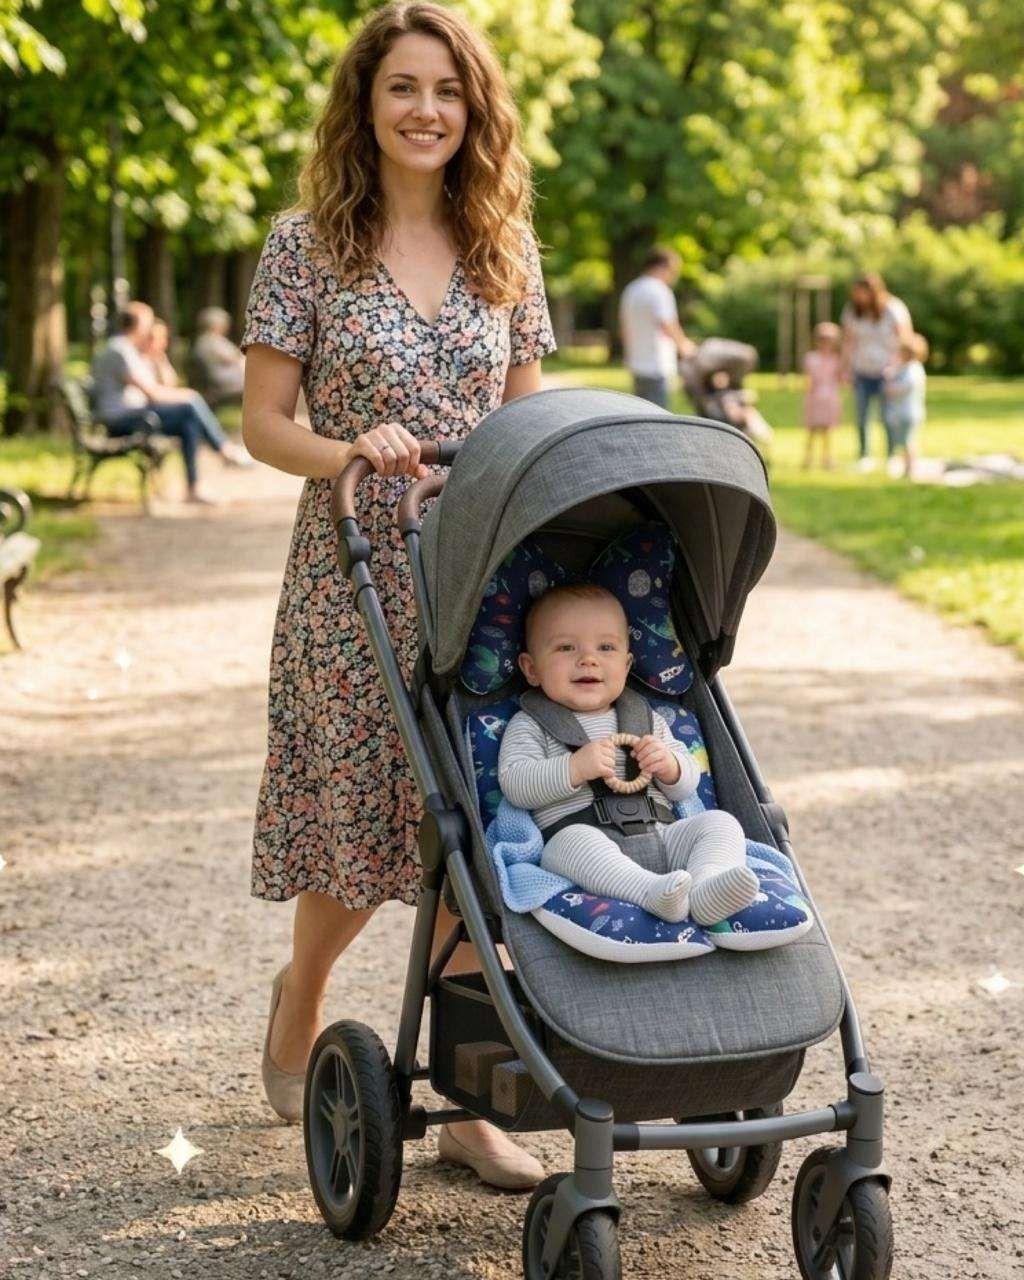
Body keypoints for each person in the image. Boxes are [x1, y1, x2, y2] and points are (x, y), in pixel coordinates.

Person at [241, 3, 556, 1190]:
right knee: (361, 822)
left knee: (474, 818)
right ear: (366, 105)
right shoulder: (305, 244)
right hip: (353, 573)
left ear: (475, 110)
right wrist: (350, 452)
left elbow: (526, 414)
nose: (427, 110)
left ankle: (468, 1096)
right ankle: (304, 993)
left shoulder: (503, 243)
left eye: (448, 90)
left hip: (475, 566)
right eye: (403, 88)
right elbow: (262, 424)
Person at [497, 584, 758, 926]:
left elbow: (686, 786)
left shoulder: (649, 720)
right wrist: (574, 768)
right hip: (584, 839)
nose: (588, 659)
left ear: (626, 664)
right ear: (531, 668)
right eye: (566, 647)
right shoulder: (530, 724)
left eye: (606, 647)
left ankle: (706, 888)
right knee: (570, 844)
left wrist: (669, 766)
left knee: (720, 824)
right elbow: (515, 785)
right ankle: (650, 892)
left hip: (662, 836)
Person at [90, 302, 250, 503]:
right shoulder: (121, 351)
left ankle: (194, 487)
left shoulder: (129, 350)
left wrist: (158, 357)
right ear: (139, 324)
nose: (151, 327)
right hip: (121, 420)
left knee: (188, 422)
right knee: (189, 405)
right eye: (148, 322)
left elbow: (167, 384)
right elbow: (153, 394)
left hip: (135, 415)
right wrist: (190, 396)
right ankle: (223, 449)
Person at [840, 273, 913, 470]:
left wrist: (896, 366)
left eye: (860, 292)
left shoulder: (893, 308)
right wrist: (845, 368)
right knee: (862, 416)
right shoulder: (852, 311)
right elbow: (849, 341)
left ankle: (892, 455)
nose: (856, 296)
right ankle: (864, 455)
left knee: (888, 417)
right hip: (862, 370)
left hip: (887, 372)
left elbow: (905, 340)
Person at [619, 247, 695, 408]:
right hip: (657, 364)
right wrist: (684, 346)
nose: (674, 275)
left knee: (641, 411)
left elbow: (625, 326)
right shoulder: (659, 290)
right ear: (662, 266)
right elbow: (668, 324)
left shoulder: (632, 289)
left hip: (637, 363)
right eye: (673, 270)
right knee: (658, 415)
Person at [883, 333, 928, 481]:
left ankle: (910, 469)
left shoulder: (913, 370)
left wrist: (890, 386)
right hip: (903, 412)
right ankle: (907, 468)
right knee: (905, 442)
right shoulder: (905, 368)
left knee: (908, 442)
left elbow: (903, 388)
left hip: (908, 412)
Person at [802, 321, 843, 470]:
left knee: (827, 430)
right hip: (815, 397)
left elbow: (840, 378)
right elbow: (808, 379)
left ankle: (827, 459)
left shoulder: (836, 359)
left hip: (830, 397)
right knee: (812, 430)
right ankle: (807, 458)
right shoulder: (811, 358)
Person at [191, 307, 246, 405]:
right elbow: (232, 358)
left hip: (223, 378)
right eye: (224, 324)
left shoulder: (206, 340)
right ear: (215, 325)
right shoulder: (211, 341)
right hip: (223, 381)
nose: (226, 327)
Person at [144, 318, 179, 388]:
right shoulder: (139, 361)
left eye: (164, 337)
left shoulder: (161, 358)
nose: (164, 343)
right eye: (159, 338)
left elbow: (171, 383)